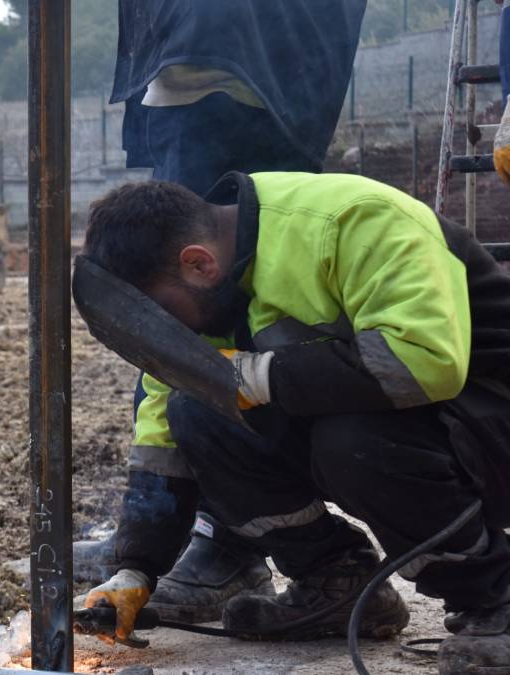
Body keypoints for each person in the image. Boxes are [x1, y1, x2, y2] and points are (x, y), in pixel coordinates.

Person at [78, 171, 510, 675]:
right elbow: (163, 441)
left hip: (489, 415)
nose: (169, 332)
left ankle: (493, 599)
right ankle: (336, 583)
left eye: (165, 314)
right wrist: (137, 568)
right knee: (196, 412)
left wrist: (256, 375)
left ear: (198, 263)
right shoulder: (207, 284)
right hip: (413, 428)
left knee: (350, 439)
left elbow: (425, 362)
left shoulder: (352, 221)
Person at [100, 0, 367, 623]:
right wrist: (138, 558)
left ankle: (227, 540)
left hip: (234, 69)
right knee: (187, 347)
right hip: (203, 70)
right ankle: (202, 533)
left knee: (198, 340)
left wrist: (255, 379)